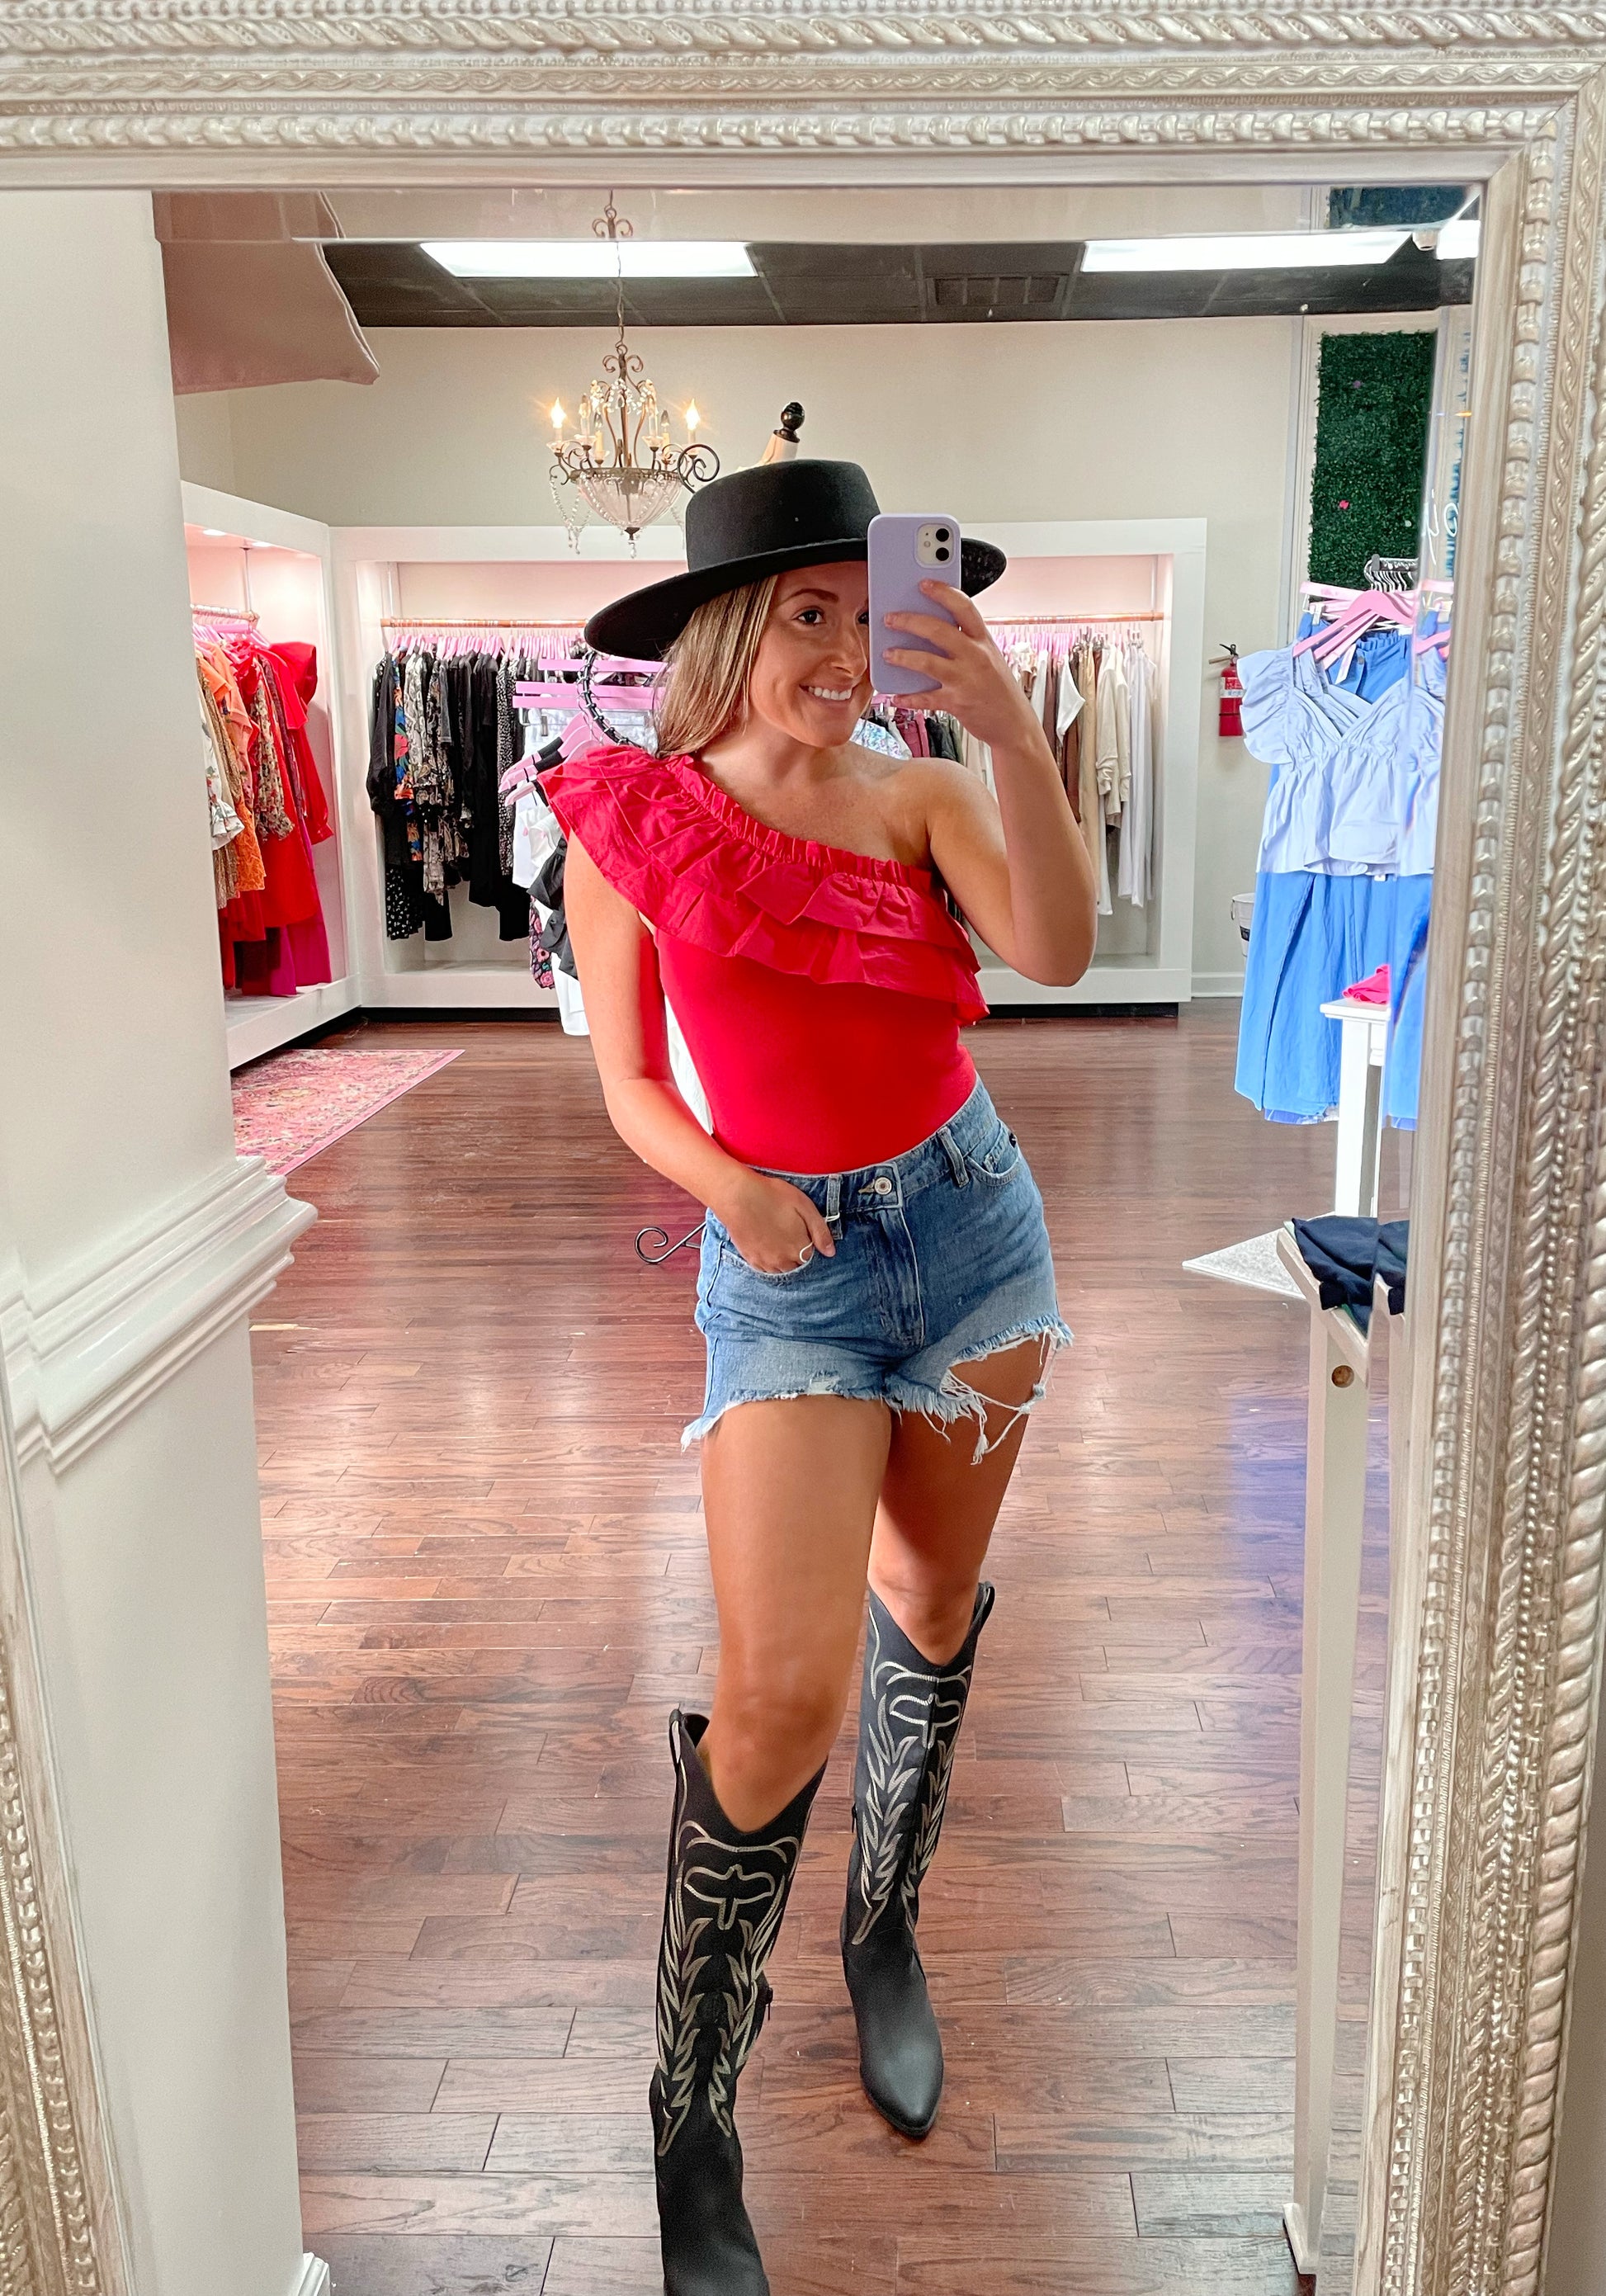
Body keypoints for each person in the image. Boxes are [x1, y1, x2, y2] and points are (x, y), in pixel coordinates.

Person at [546, 459, 1098, 2296]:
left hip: (972, 1231)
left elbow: (1058, 948)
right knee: (779, 1695)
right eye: (809, 614)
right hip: (784, 1271)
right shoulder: (632, 823)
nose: (847, 653)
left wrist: (1004, 718)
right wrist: (729, 1186)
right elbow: (632, 1083)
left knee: (929, 1603)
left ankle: (883, 1928)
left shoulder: (925, 789)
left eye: (871, 615)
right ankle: (690, 2107)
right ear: (727, 626)